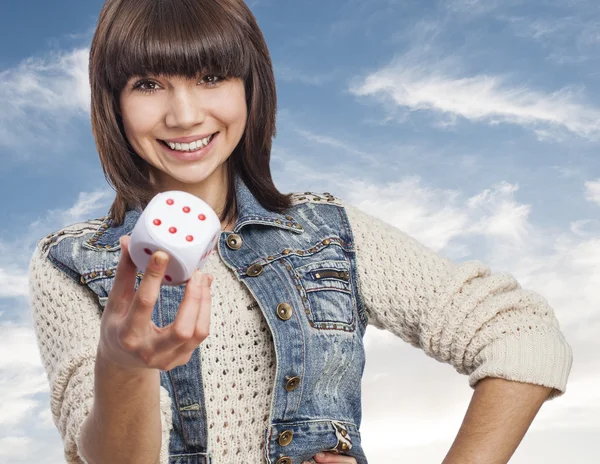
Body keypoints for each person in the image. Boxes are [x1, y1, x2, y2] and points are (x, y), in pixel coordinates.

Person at [27, 0, 573, 463]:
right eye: (148, 84)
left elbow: (522, 334)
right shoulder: (71, 263)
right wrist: (123, 365)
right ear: (113, 102)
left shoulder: (327, 233)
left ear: (250, 88)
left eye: (211, 77)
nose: (184, 114)